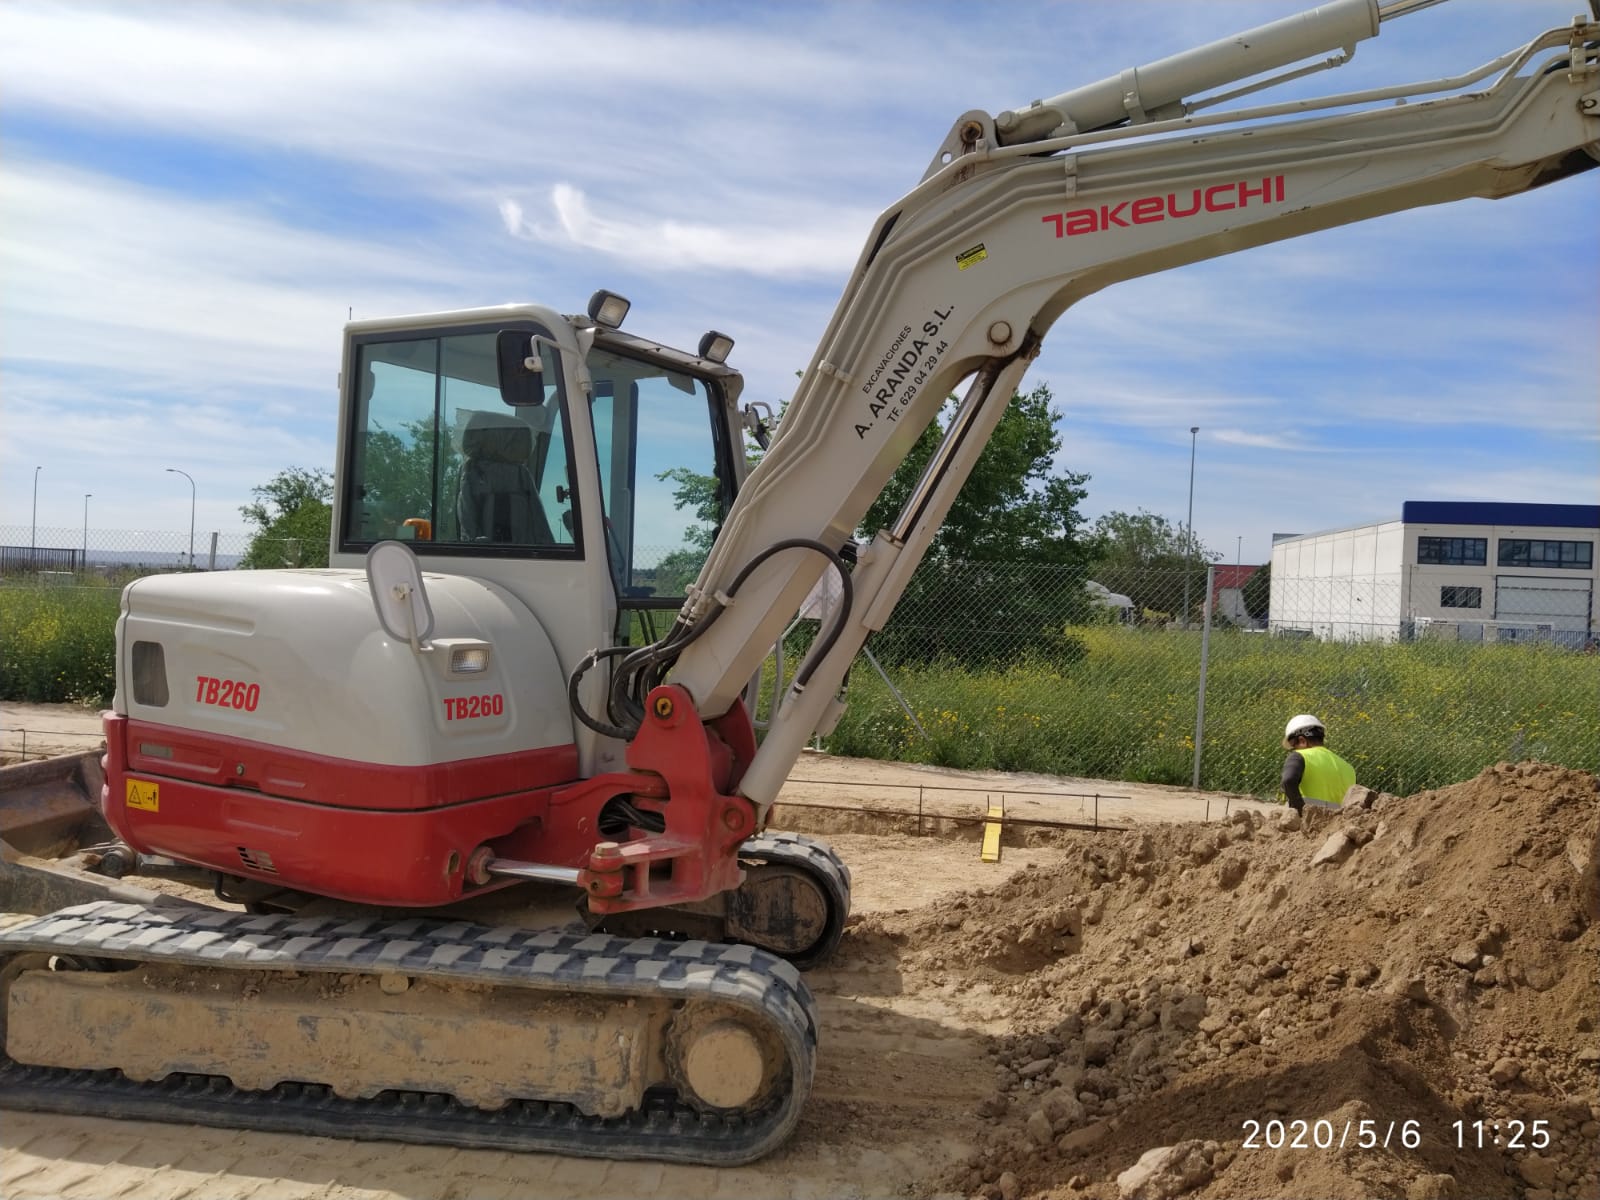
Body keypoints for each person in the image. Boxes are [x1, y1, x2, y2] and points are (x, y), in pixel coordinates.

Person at [1280, 713, 1356, 813]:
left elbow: (1288, 780)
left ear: (1302, 741)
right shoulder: (1348, 767)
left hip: (1314, 821)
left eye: (1293, 746)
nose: (1293, 750)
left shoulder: (1299, 756)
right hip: (1340, 823)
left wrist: (1300, 810)